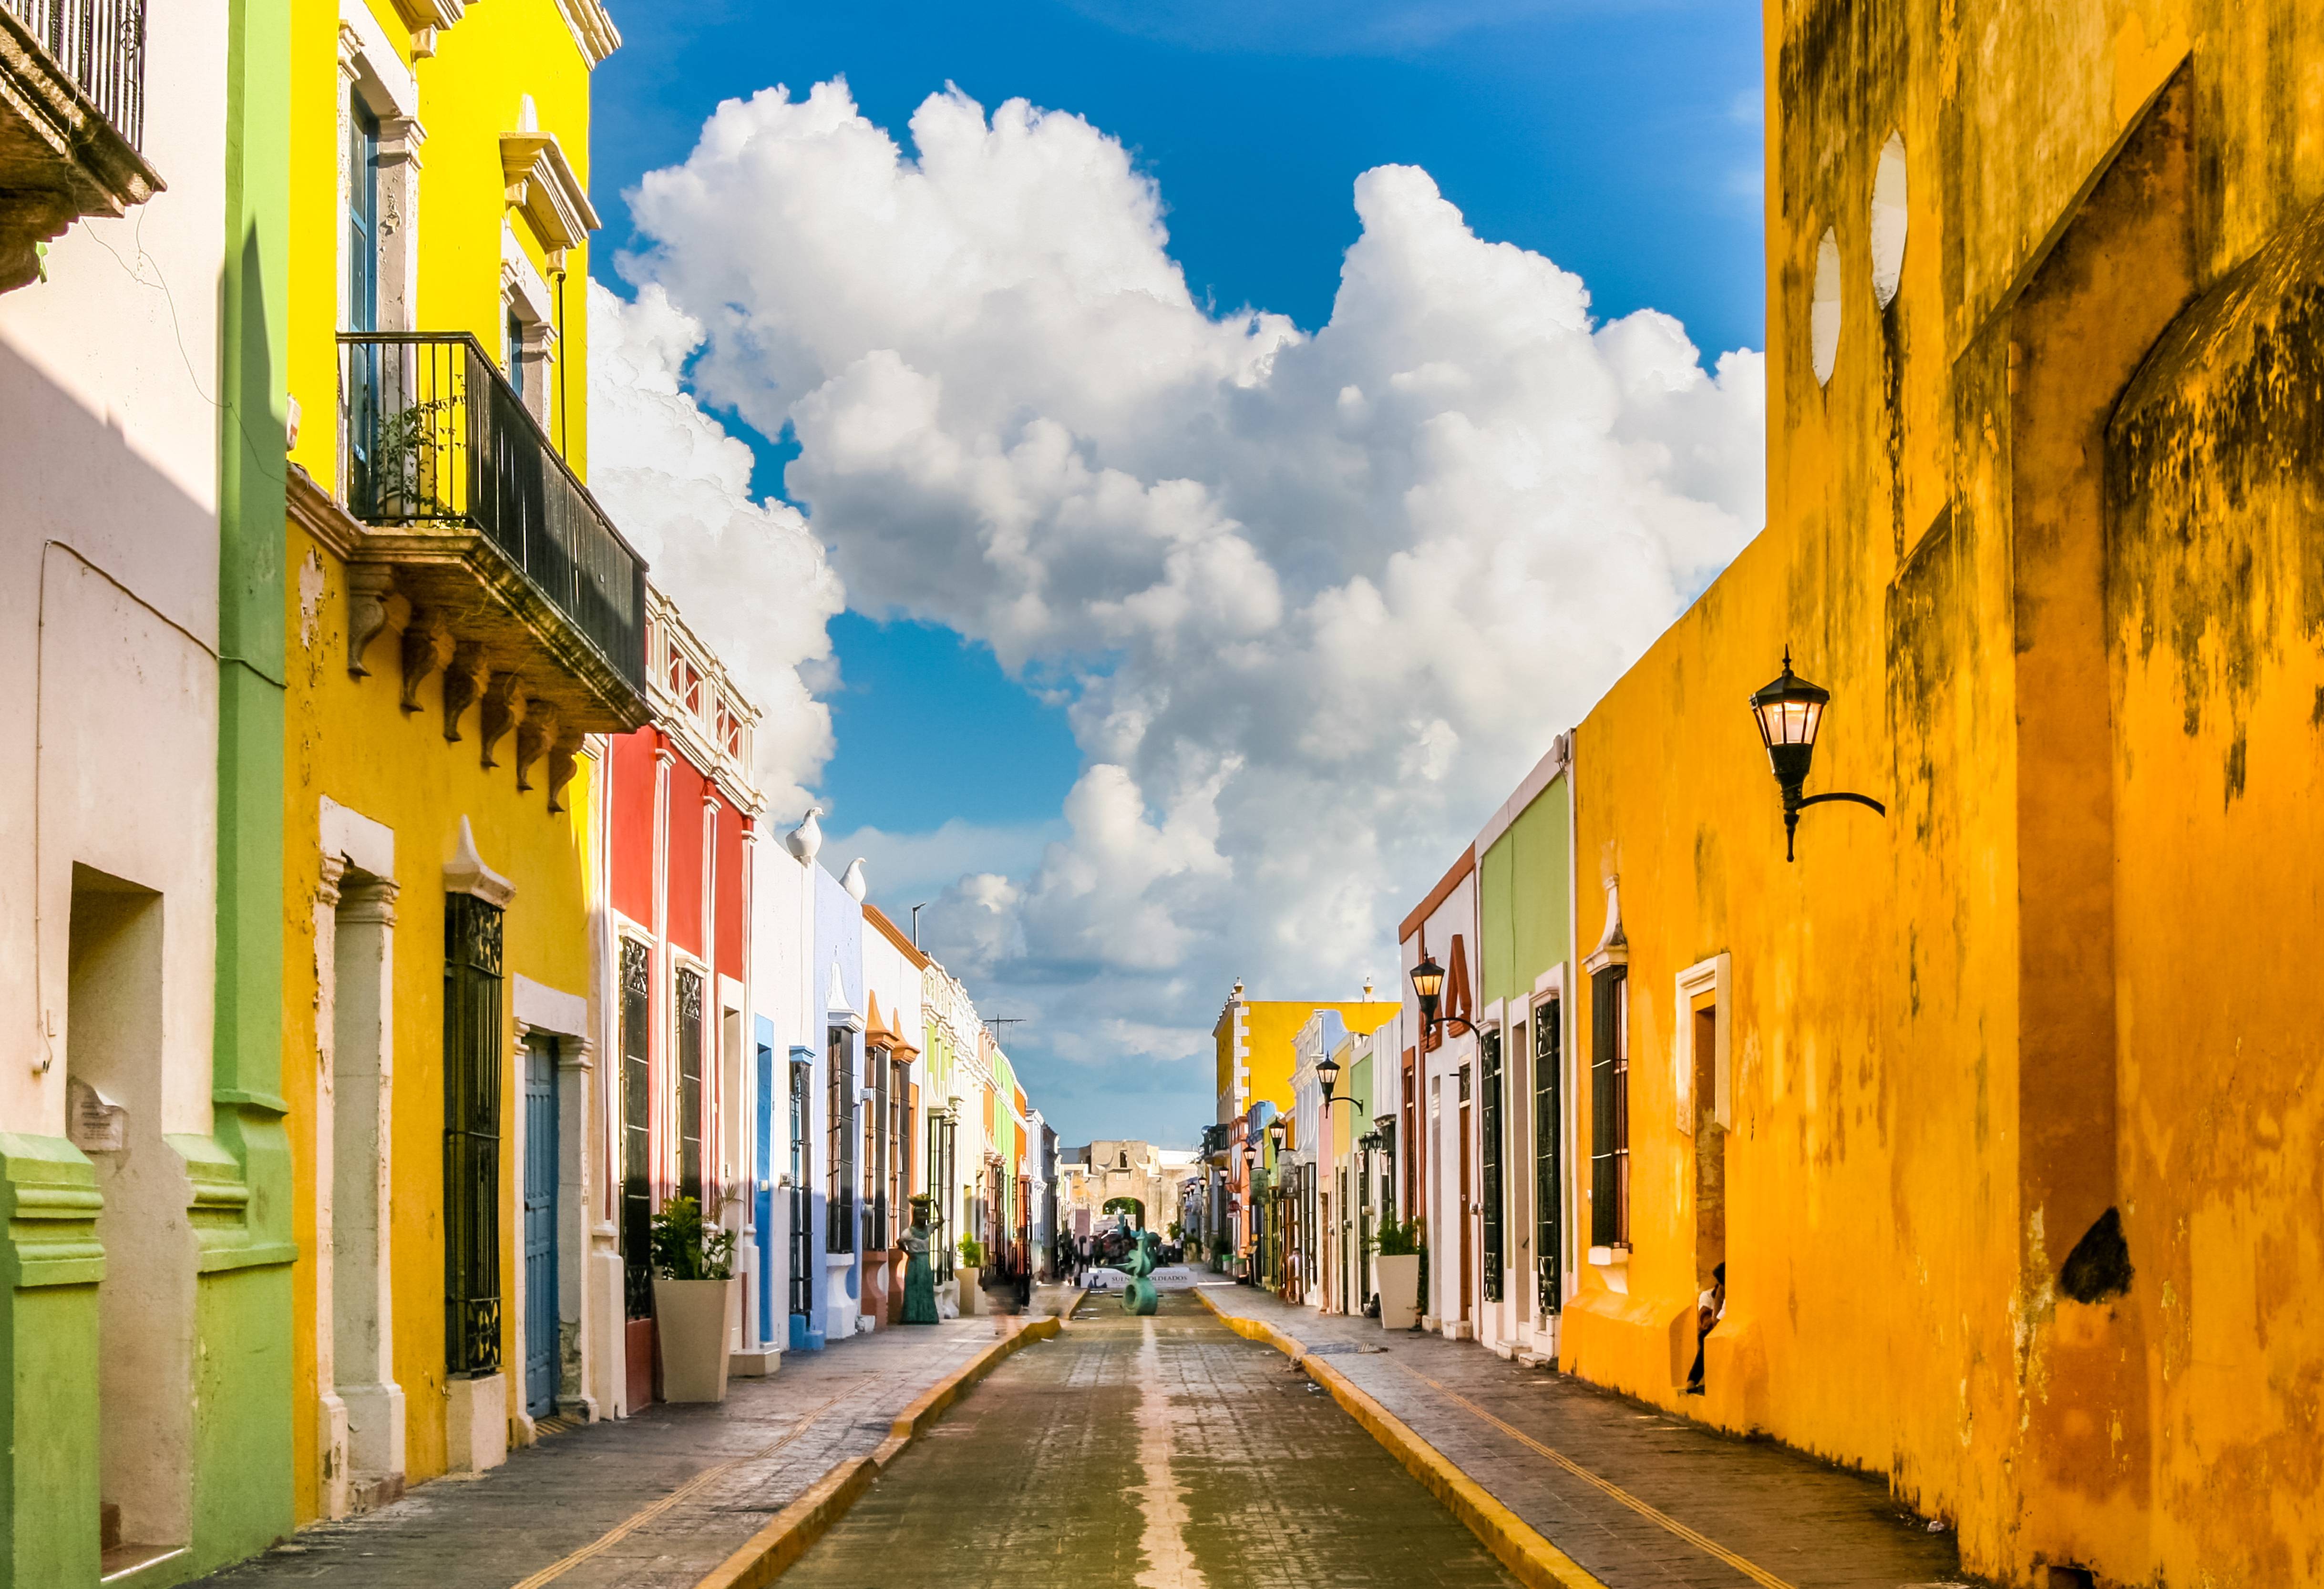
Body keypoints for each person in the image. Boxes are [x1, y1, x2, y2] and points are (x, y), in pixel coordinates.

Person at [1686, 1261, 1725, 1394]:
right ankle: (1693, 1380)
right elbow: (1707, 1321)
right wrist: (1719, 1298)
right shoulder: (1708, 1296)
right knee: (1705, 1337)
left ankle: (1692, 1380)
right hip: (1711, 1331)